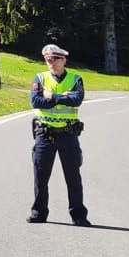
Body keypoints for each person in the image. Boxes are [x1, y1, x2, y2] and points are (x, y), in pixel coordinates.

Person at [29, 43, 89, 226]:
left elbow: (76, 100)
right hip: (44, 134)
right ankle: (39, 213)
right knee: (41, 176)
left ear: (64, 60)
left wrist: (52, 97)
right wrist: (63, 97)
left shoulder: (75, 78)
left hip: (68, 135)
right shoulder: (39, 78)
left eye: (54, 60)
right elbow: (36, 101)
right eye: (48, 60)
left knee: (73, 177)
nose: (51, 63)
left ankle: (78, 215)